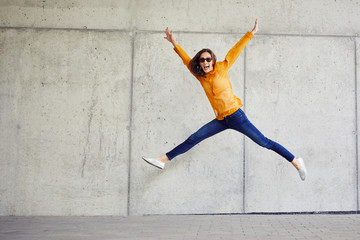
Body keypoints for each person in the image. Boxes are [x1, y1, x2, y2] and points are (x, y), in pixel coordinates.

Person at [142, 19, 307, 181]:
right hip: (221, 120)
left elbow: (236, 49)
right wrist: (174, 43)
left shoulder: (222, 67)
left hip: (237, 117)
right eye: (202, 60)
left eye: (208, 59)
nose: (205, 62)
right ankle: (163, 159)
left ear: (213, 60)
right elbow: (187, 60)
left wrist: (251, 33)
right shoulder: (201, 77)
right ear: (199, 63)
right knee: (194, 138)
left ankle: (295, 162)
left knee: (264, 142)